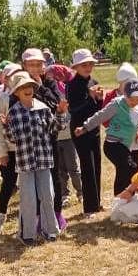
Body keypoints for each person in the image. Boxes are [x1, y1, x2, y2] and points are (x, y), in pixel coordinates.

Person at [75, 79, 138, 196]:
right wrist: (85, 127)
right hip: (113, 145)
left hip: (125, 146)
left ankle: (125, 197)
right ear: (125, 94)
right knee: (130, 167)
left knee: (125, 170)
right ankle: (123, 197)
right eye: (131, 99)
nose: (134, 102)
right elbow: (100, 116)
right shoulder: (117, 104)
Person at [3, 72, 69, 245]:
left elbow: (56, 128)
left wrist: (61, 113)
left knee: (48, 195)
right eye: (23, 87)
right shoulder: (14, 113)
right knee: (29, 198)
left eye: (30, 86)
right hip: (25, 163)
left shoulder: (43, 108)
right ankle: (28, 234)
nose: (27, 89)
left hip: (44, 160)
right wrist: (6, 125)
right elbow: (11, 138)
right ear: (16, 92)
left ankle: (51, 231)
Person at [21, 48, 66, 230]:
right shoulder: (20, 84)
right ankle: (37, 218)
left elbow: (57, 103)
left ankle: (55, 215)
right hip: (30, 141)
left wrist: (41, 87)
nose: (35, 68)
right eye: (31, 64)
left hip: (50, 137)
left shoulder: (49, 83)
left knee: (54, 177)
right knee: (33, 182)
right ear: (24, 66)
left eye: (38, 64)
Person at [67, 48, 104, 217]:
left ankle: (97, 202)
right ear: (76, 67)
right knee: (87, 166)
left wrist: (99, 99)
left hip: (94, 129)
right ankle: (89, 208)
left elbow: (97, 109)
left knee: (96, 165)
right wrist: (89, 96)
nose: (88, 67)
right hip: (79, 130)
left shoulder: (94, 81)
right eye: (84, 65)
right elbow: (74, 109)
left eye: (90, 64)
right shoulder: (72, 85)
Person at [0, 62, 22, 233]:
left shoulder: (29, 96)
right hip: (9, 150)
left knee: (27, 185)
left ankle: (26, 219)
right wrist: (2, 152)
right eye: (12, 76)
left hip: (27, 149)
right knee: (8, 184)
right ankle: (0, 216)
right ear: (6, 80)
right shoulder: (1, 101)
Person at [45, 64, 82, 206]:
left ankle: (80, 192)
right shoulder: (46, 94)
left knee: (73, 167)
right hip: (54, 137)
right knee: (60, 169)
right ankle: (64, 194)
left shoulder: (66, 90)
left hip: (68, 137)